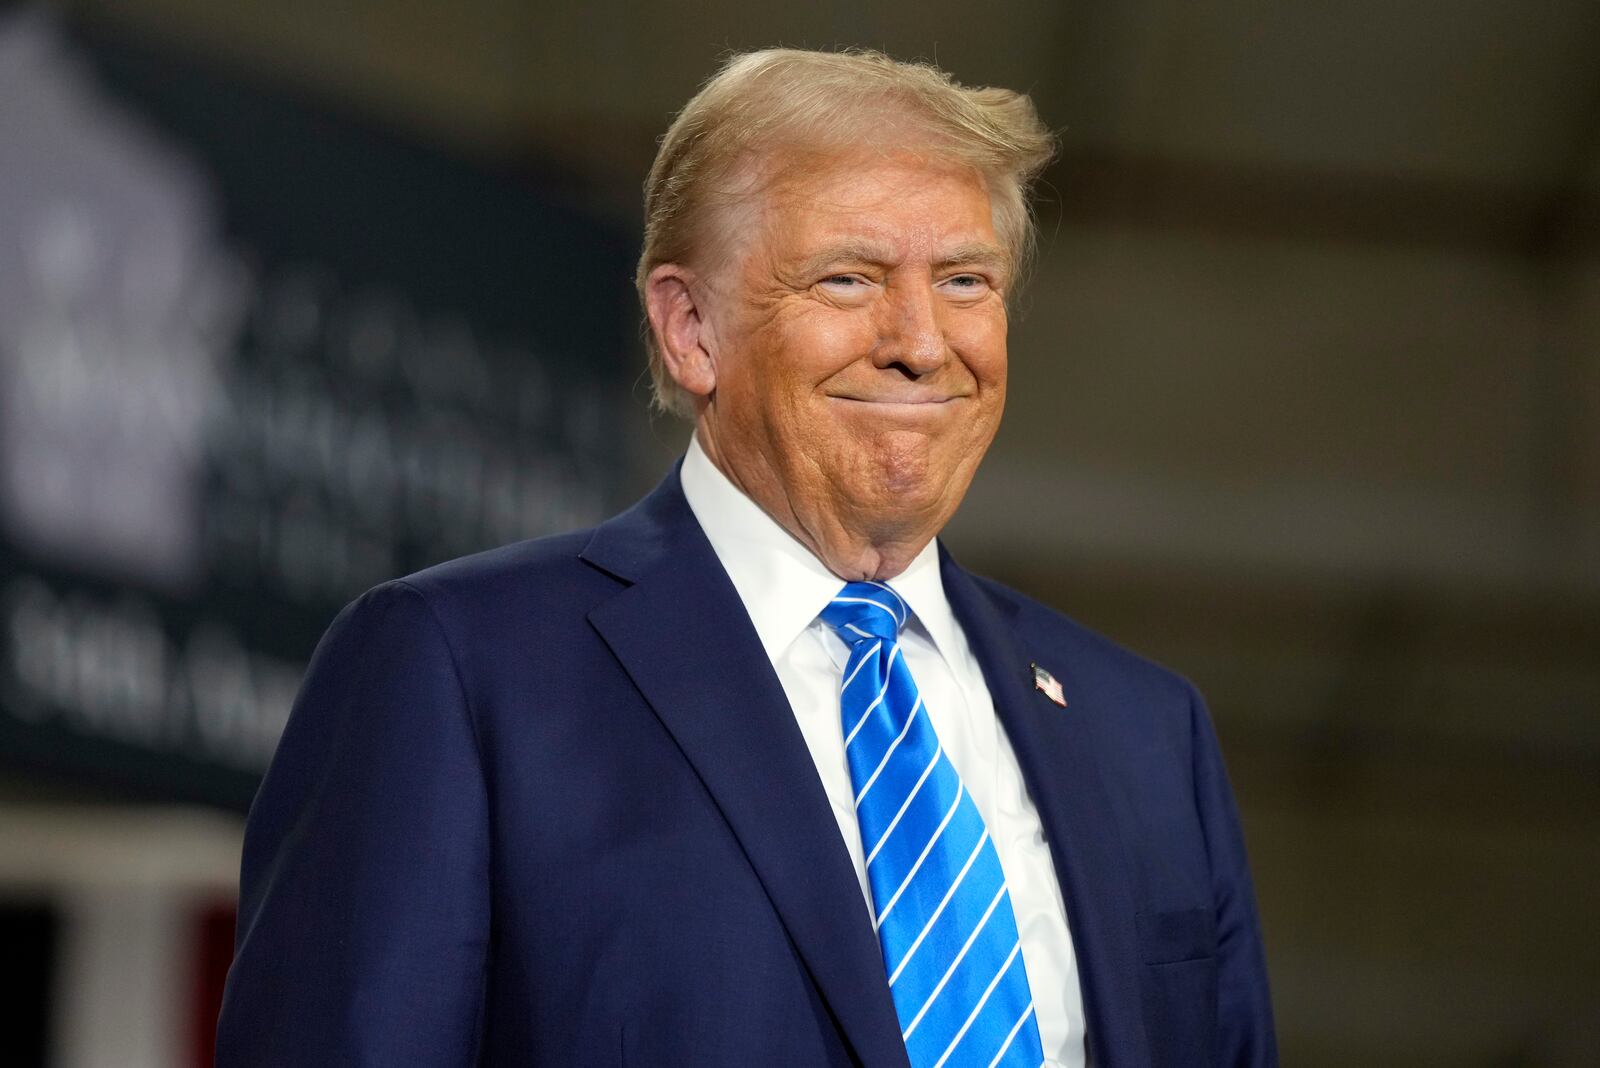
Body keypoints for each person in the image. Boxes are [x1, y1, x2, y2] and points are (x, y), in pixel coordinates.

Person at [216, 48, 1276, 1068]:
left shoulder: (1145, 732)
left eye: (964, 280)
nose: (921, 339)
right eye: (848, 279)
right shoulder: (456, 673)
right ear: (689, 330)